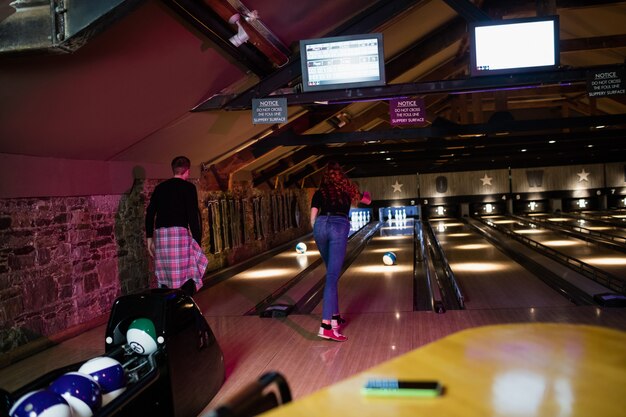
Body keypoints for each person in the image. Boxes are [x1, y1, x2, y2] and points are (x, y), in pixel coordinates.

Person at [310, 162, 371, 342]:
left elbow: (312, 218)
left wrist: (319, 230)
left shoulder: (319, 192)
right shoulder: (348, 189)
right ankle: (326, 326)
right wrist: (365, 194)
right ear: (342, 176)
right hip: (339, 225)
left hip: (320, 226)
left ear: (326, 177)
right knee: (332, 277)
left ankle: (335, 317)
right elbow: (367, 200)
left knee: (331, 274)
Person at [145, 156, 208, 296]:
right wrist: (197, 241)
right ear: (187, 171)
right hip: (179, 236)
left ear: (173, 169)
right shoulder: (189, 188)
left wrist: (149, 238)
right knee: (188, 272)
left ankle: (167, 307)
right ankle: (185, 304)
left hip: (161, 237)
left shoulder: (160, 188)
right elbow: (193, 217)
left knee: (165, 274)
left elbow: (150, 214)